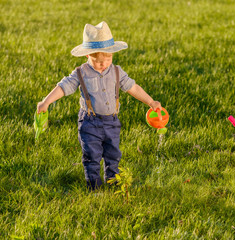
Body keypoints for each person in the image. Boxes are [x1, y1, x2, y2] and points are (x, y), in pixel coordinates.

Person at [37, 21, 161, 190]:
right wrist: (46, 102)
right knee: (92, 156)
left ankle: (113, 184)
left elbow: (133, 87)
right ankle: (94, 188)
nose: (103, 64)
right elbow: (63, 87)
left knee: (113, 155)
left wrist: (151, 101)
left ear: (112, 54)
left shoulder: (117, 72)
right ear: (87, 56)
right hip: (90, 122)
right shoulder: (81, 73)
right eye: (97, 60)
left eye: (108, 58)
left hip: (112, 121)